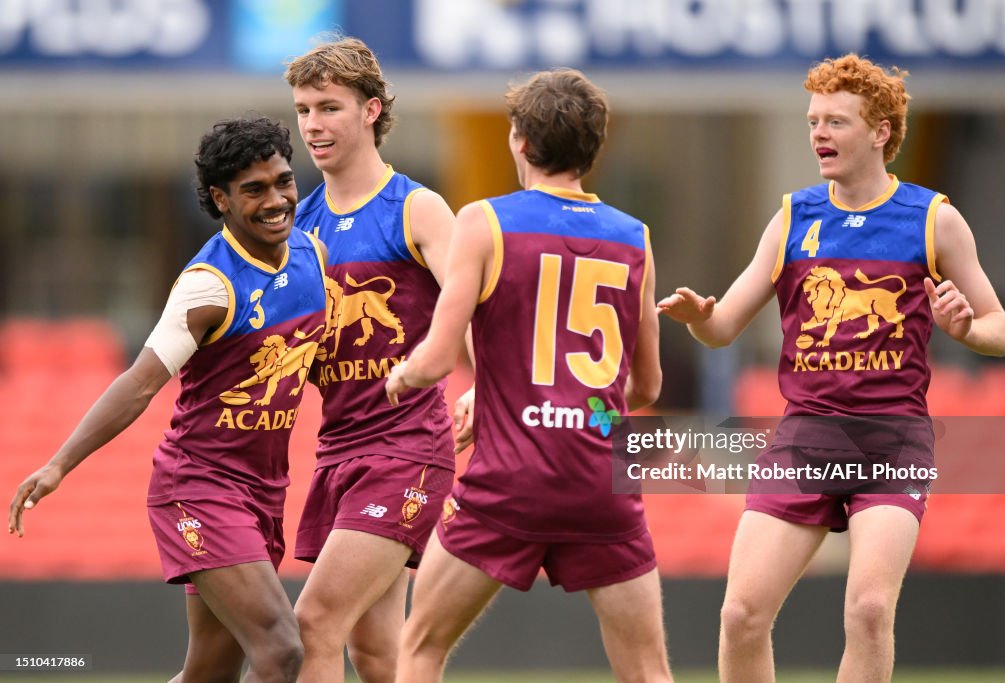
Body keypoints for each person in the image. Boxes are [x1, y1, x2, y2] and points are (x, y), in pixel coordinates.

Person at [658, 54, 1005, 682]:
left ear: (880, 132)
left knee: (870, 609)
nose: (819, 133)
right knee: (740, 612)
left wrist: (964, 327)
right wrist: (697, 317)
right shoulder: (794, 217)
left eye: (836, 122)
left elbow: (1000, 333)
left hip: (892, 439)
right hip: (805, 437)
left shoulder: (934, 219)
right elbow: (722, 329)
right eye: (813, 120)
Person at [8, 116, 330, 683]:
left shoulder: (312, 254)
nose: (277, 200)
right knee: (281, 650)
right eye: (254, 190)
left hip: (264, 490)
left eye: (283, 181)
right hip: (200, 487)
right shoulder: (209, 285)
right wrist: (59, 464)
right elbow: (139, 382)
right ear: (220, 200)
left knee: (210, 670)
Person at [386, 68, 671, 683]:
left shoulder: (484, 222)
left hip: (509, 483)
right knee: (647, 671)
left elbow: (436, 359)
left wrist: (400, 377)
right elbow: (645, 388)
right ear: (593, 149)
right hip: (600, 483)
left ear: (518, 139)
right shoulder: (635, 238)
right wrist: (573, 405)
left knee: (420, 648)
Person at [283, 36, 466, 682]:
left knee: (314, 621)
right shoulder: (299, 228)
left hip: (407, 448)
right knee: (379, 654)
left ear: (372, 109)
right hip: (338, 450)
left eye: (329, 107)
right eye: (303, 109)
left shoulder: (415, 208)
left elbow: (472, 309)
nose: (312, 124)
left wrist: (488, 388)